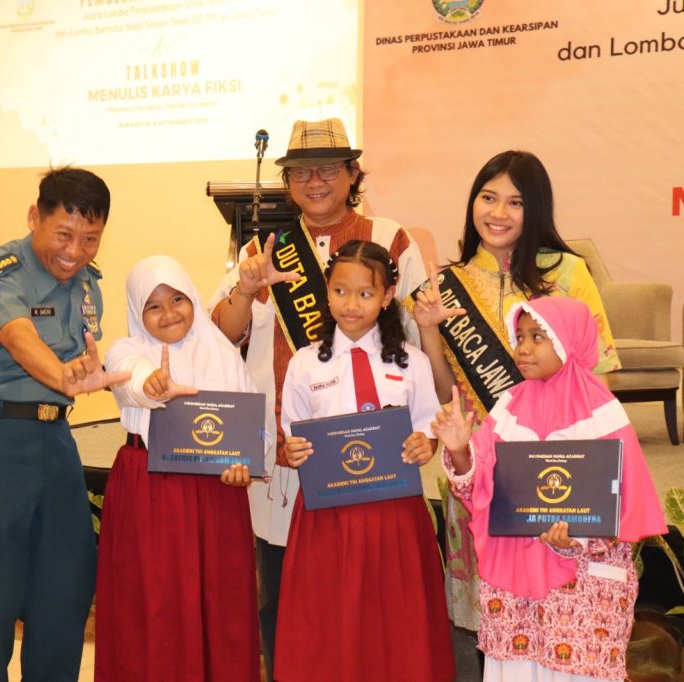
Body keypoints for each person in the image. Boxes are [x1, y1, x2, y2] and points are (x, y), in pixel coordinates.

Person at [209, 117, 427, 677]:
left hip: (376, 476)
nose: (314, 181)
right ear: (286, 183)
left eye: (328, 169)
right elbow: (221, 335)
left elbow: (417, 338)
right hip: (288, 460)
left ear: (353, 173)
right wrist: (247, 288)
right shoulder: (262, 248)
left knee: (374, 611)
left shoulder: (390, 238)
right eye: (301, 172)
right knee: (288, 604)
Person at [412, 150, 621, 632]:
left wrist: (588, 465)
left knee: (560, 613)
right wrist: (428, 330)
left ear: (536, 208)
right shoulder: (449, 284)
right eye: (488, 198)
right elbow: (448, 395)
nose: (498, 213)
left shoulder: (567, 273)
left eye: (516, 202)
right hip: (481, 470)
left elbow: (600, 374)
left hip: (558, 465)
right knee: (496, 621)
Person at [0, 167, 126, 681]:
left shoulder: (88, 285)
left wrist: (100, 376)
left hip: (55, 440)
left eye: (90, 239)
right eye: (64, 234)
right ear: (34, 217)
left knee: (66, 590)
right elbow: (20, 339)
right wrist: (62, 376)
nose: (75, 251)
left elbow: (83, 359)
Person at [432, 296, 666, 681]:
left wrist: (579, 537)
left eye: (537, 337)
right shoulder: (509, 406)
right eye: (520, 337)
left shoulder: (602, 411)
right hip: (515, 587)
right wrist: (459, 449)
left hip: (581, 590)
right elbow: (478, 486)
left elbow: (624, 506)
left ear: (566, 341)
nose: (523, 348)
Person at [275, 240, 455, 682]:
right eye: (340, 291)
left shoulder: (412, 363)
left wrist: (426, 445)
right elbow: (291, 435)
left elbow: (428, 427)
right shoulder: (304, 364)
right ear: (326, 291)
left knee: (396, 622)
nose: (350, 304)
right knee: (329, 624)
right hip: (327, 518)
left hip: (394, 516)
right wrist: (292, 452)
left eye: (365, 293)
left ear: (388, 295)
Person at [96, 255, 262, 682]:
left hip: (217, 492)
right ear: (137, 312)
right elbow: (130, 379)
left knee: (220, 599)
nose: (168, 313)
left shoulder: (223, 352)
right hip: (150, 488)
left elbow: (252, 425)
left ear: (192, 298)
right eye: (153, 306)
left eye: (177, 299)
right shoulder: (127, 350)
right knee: (155, 600)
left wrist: (245, 464)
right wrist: (150, 384)